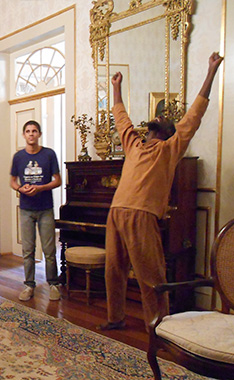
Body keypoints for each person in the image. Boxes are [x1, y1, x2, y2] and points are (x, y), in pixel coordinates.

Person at [99, 52, 223, 331]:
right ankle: (115, 318)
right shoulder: (133, 143)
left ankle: (159, 327)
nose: (159, 117)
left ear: (168, 132)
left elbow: (195, 115)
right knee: (113, 270)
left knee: (151, 276)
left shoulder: (170, 149)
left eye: (164, 119)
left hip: (142, 216)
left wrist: (211, 72)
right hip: (116, 212)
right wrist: (116, 89)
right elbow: (120, 118)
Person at [10, 120, 62, 302]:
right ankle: (29, 285)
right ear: (23, 135)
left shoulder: (49, 155)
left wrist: (41, 188)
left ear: (39, 134)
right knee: (28, 249)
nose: (31, 134)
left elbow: (58, 180)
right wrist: (19, 189)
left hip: (45, 208)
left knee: (49, 250)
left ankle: (53, 284)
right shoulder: (18, 157)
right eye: (28, 131)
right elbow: (12, 181)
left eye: (34, 131)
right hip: (26, 209)